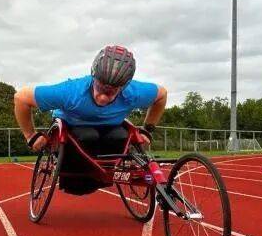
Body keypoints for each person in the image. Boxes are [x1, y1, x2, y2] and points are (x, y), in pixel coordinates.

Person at [14, 45, 167, 193]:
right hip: (73, 126)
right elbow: (21, 98)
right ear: (94, 76)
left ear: (124, 86)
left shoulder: (134, 92)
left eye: (112, 91)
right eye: (100, 87)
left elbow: (162, 95)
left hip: (111, 128)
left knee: (120, 136)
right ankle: (78, 180)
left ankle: (102, 175)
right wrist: (30, 136)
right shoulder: (71, 92)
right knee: (88, 135)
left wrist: (147, 130)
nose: (103, 97)